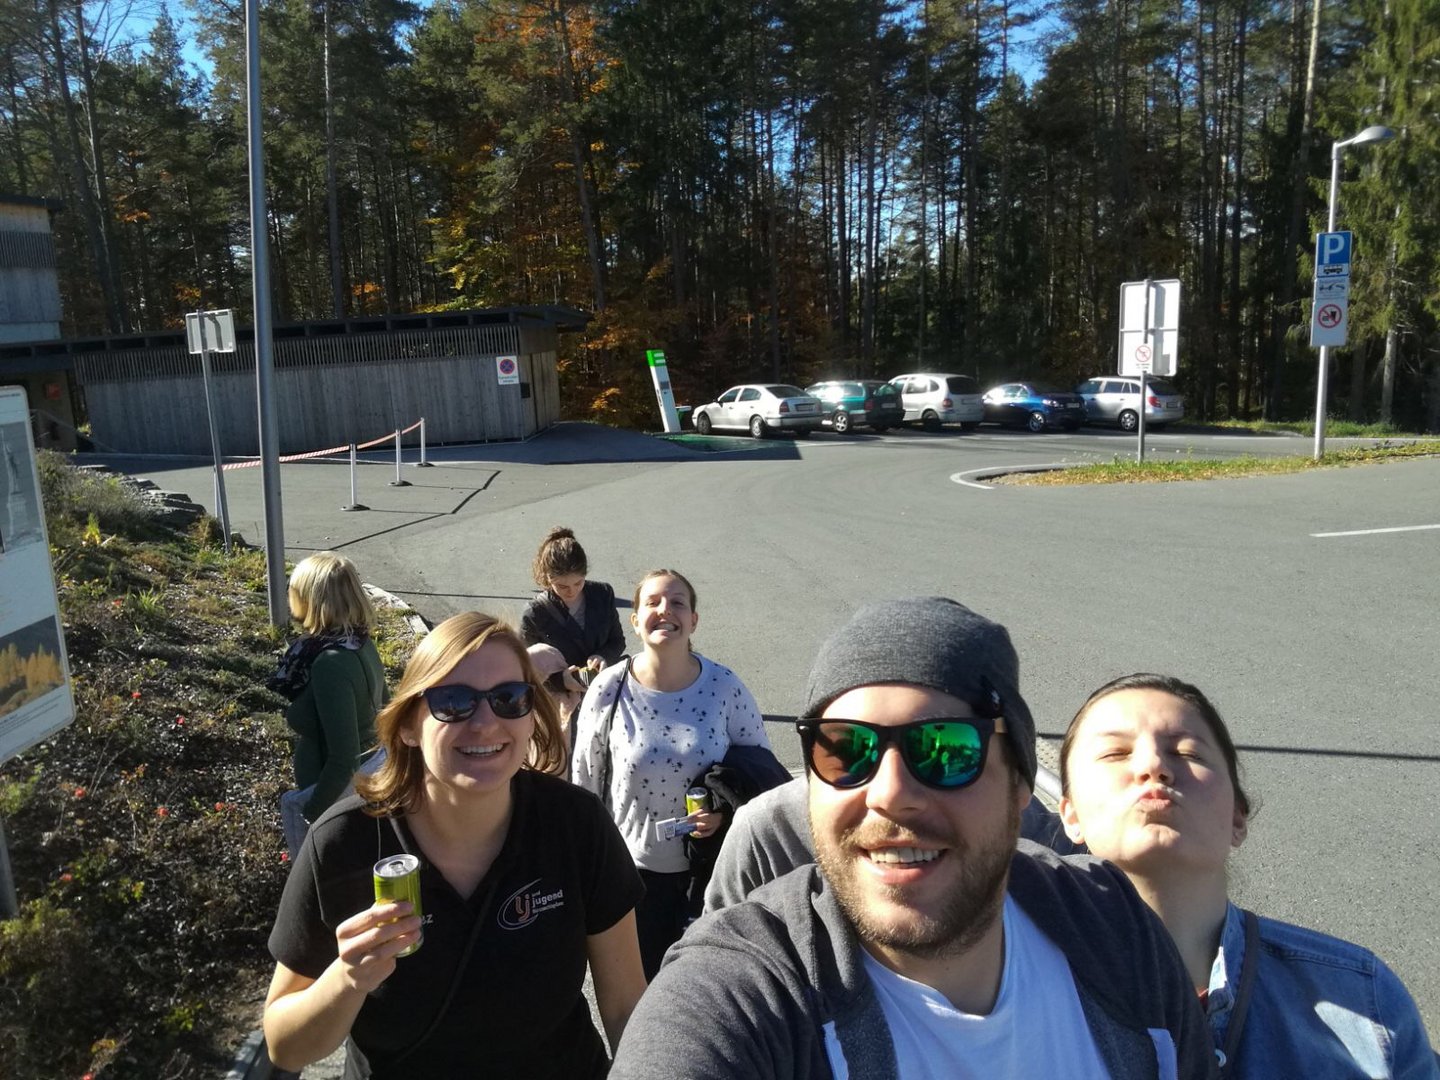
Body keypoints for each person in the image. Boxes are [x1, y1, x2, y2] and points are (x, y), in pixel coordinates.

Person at [611, 597, 1216, 1079]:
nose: (890, 792)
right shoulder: (739, 992)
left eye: (945, 748)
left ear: (1019, 785)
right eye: (847, 749)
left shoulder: (1112, 924)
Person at [263, 612, 646, 1079]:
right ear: (409, 726)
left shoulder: (576, 824)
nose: (485, 723)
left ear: (531, 717)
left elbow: (626, 1008)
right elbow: (284, 1047)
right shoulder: (345, 842)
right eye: (454, 702)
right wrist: (347, 978)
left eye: (509, 698)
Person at [1058, 673, 1439, 1079]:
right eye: (1115, 753)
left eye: (1187, 752)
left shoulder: (1364, 997)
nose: (1153, 766)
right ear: (1071, 816)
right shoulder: (1019, 987)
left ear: (1237, 818)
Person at [571, 568, 771, 979]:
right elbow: (584, 782)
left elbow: (761, 774)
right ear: (635, 620)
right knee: (639, 989)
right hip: (631, 876)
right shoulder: (608, 688)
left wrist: (723, 812)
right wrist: (585, 867)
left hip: (711, 875)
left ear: (693, 620)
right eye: (653, 602)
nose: (665, 610)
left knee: (707, 986)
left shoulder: (725, 687)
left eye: (677, 602)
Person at [270, 552, 387, 854]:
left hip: (331, 794)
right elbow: (386, 708)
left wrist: (313, 813)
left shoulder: (330, 663)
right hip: (368, 773)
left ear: (310, 599)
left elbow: (343, 758)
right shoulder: (360, 642)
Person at [520, 526, 626, 709]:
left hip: (607, 693)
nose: (572, 591)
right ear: (548, 578)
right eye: (562, 586)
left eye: (579, 583)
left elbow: (617, 641)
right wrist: (561, 681)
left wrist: (603, 656)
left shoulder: (602, 594)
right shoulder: (535, 613)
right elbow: (525, 670)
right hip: (565, 706)